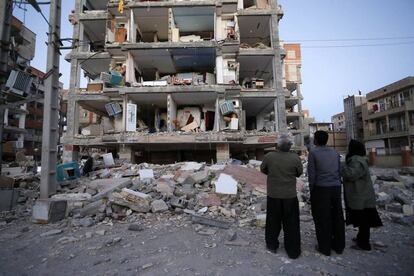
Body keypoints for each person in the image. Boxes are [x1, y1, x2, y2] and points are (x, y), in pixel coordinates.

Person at [260, 134, 303, 259]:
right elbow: (299, 173)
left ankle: (272, 245)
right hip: (290, 196)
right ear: (290, 146)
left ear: (277, 146)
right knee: (292, 223)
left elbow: (263, 169)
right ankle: (293, 251)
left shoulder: (269, 157)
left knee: (273, 222)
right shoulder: (295, 158)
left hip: (273, 195)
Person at [308, 130, 345, 256]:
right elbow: (340, 171)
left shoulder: (313, 153)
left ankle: (325, 247)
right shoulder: (335, 152)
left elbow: (312, 175)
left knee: (322, 217)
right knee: (337, 216)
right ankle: (339, 246)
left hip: (321, 189)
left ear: (316, 140)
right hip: (336, 187)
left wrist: (312, 191)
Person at [342, 139, 383, 251]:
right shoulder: (358, 160)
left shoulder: (357, 161)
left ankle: (364, 244)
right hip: (361, 195)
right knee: (362, 220)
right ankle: (361, 238)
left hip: (360, 196)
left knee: (363, 220)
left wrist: (341, 166)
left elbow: (351, 174)